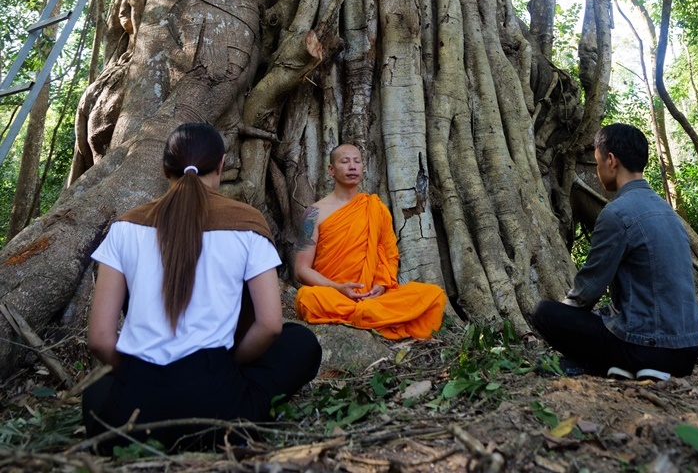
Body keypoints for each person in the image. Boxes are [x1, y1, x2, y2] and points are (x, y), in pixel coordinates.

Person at [82, 123, 321, 451]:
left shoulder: (125, 227)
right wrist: (228, 367)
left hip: (133, 419)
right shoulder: (247, 223)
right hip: (216, 410)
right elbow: (269, 325)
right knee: (301, 343)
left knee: (96, 393)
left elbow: (99, 339)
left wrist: (143, 376)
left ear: (165, 168)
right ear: (222, 165)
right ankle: (238, 422)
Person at [532, 123, 698, 381]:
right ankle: (621, 366)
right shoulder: (669, 213)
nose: (598, 170)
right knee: (605, 316)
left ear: (611, 160)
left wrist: (565, 316)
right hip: (687, 353)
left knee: (545, 312)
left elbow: (585, 293)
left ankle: (601, 363)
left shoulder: (617, 213)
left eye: (598, 162)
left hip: (645, 348)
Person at [294, 144, 447, 339]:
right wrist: (337, 288)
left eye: (357, 161)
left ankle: (365, 313)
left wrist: (382, 286)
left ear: (362, 168)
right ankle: (371, 316)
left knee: (434, 295)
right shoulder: (313, 214)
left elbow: (391, 255)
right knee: (307, 298)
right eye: (345, 161)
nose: (352, 166)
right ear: (331, 170)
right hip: (333, 295)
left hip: (374, 297)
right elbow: (301, 270)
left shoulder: (377, 208)